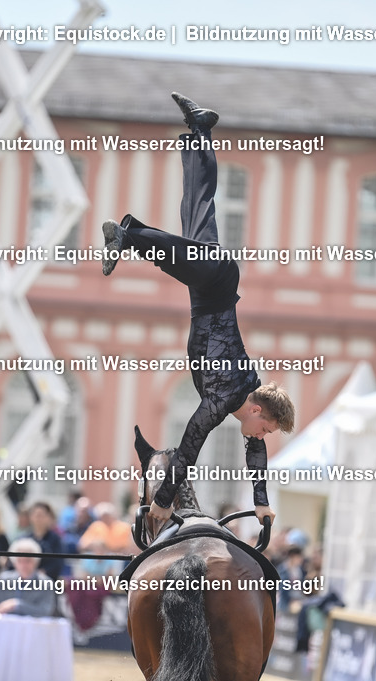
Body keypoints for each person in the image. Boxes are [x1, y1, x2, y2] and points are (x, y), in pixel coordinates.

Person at [101, 92, 296, 525]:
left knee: (197, 204)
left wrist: (261, 501)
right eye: (264, 429)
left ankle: (200, 129)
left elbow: (255, 450)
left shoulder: (246, 399)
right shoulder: (229, 394)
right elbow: (191, 441)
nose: (261, 438)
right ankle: (129, 235)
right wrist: (165, 500)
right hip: (217, 282)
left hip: (208, 291)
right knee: (185, 255)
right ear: (258, 412)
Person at [0, 538, 57, 618]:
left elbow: (45, 611)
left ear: (36, 561)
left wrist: (17, 605)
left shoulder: (46, 583)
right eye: (20, 560)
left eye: (28, 561)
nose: (23, 565)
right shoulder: (4, 579)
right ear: (14, 562)